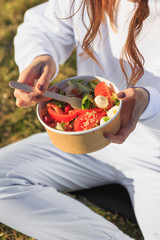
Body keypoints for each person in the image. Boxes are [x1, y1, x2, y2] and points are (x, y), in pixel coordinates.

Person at [0, 0, 160, 239]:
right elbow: (43, 24)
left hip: (154, 161)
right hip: (87, 145)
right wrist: (40, 56)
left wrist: (150, 103)